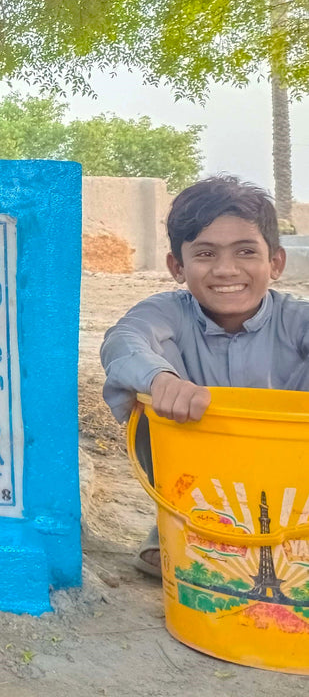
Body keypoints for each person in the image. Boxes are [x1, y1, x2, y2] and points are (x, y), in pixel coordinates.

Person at [100, 175, 309, 575]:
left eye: (246, 251)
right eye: (206, 254)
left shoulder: (296, 319)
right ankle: (178, 527)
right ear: (177, 267)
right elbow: (123, 341)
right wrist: (163, 381)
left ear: (275, 263)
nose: (226, 270)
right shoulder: (168, 312)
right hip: (197, 486)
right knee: (143, 376)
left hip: (293, 484)